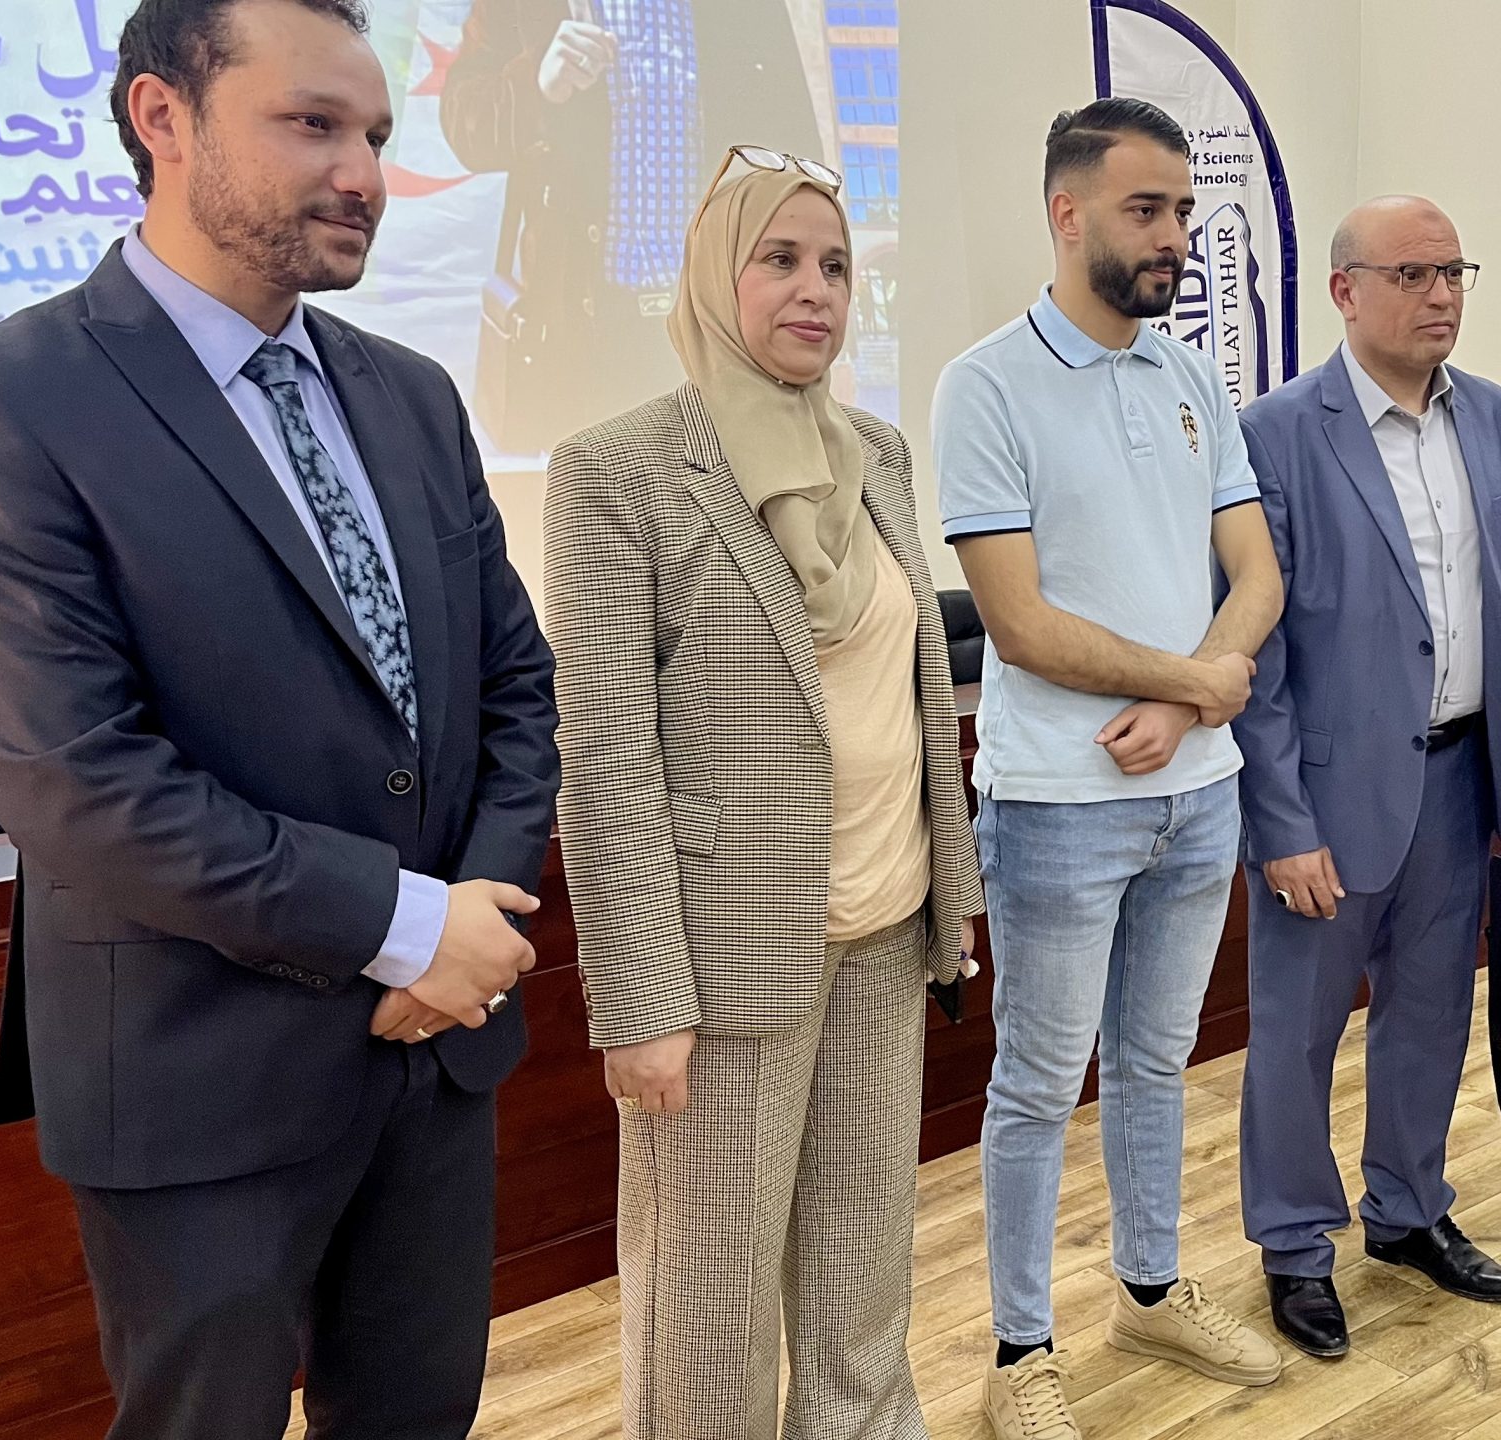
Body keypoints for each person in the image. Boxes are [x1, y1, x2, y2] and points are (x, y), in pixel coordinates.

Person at [0, 0, 561, 1434]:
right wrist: (405, 925)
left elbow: (514, 683)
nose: (364, 173)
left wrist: (477, 924)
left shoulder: (412, 396)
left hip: (438, 1052)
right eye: (312, 125)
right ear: (164, 118)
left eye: (375, 133)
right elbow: (78, 781)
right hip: (199, 1077)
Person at [542, 149, 985, 1440]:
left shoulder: (877, 453)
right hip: (722, 969)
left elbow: (911, 697)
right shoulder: (618, 471)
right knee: (708, 1309)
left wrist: (949, 902)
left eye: (835, 265)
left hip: (884, 933)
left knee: (863, 1286)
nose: (816, 290)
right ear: (709, 277)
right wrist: (640, 1004)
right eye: (779, 260)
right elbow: (606, 757)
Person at [933, 96, 1287, 1440]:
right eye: (1148, 209)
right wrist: (1195, 685)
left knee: (1156, 1062)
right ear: (1066, 212)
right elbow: (1019, 626)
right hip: (1059, 807)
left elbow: (1257, 574)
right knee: (1036, 1084)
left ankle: (1149, 1289)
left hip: (1198, 793)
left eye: (1185, 211)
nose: (1175, 235)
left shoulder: (1192, 377)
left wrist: (1190, 705)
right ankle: (1020, 1353)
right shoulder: (984, 384)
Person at [1229, 196, 1501, 1358]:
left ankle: (1410, 1209)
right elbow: (1256, 652)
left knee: (1430, 1012)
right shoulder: (1277, 432)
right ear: (1344, 290)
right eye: (1413, 274)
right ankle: (1293, 1244)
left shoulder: (1490, 413)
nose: (1440, 295)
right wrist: (1279, 820)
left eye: (1453, 273)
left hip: (1463, 775)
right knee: (1298, 1032)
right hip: (1327, 793)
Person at [439, 0, 821, 452]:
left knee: (722, 490)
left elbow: (799, 158)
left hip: (719, 327)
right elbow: (464, 124)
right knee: (588, 488)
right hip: (582, 328)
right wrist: (536, 84)